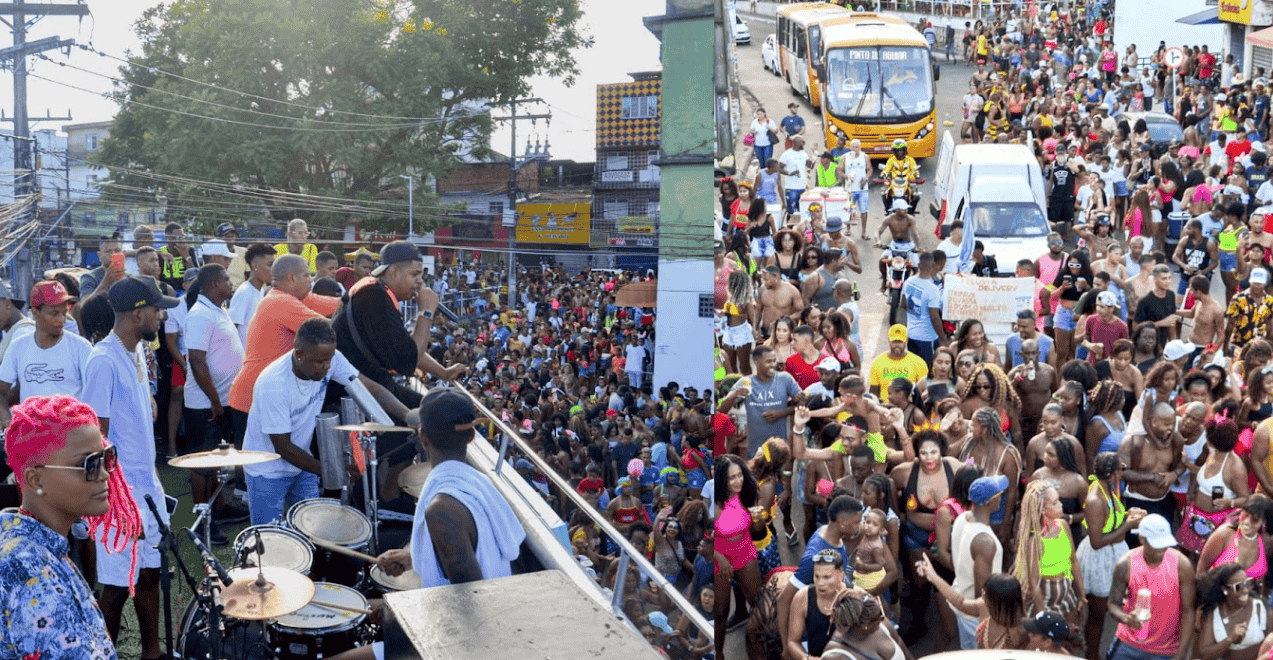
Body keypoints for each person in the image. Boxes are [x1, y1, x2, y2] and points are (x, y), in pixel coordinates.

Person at [333, 389, 526, 660]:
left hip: (461, 645)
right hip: (472, 628)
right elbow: (473, 549)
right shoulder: (479, 483)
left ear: (423, 438)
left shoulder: (442, 512)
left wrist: (394, 610)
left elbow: (471, 602)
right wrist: (412, 558)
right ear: (470, 436)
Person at [0, 395, 144, 660]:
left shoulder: (39, 548)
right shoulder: (30, 573)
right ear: (35, 478)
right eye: (87, 464)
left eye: (105, 458)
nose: (104, 473)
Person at [85, 276, 177, 659]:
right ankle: (97, 653)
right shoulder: (104, 360)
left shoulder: (137, 350)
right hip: (121, 493)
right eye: (156, 309)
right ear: (138, 313)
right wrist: (120, 503)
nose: (161, 316)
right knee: (118, 585)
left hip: (146, 485)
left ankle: (152, 653)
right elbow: (95, 437)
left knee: (152, 572)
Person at [333, 240, 465, 504]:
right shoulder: (374, 299)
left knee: (422, 406)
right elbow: (407, 361)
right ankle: (390, 493)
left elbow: (406, 347)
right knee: (418, 419)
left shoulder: (376, 293)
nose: (419, 282)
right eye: (415, 274)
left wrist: (444, 372)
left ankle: (392, 489)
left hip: (370, 381)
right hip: (351, 390)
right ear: (392, 272)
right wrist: (425, 313)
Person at [242, 318, 410, 525]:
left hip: (303, 462)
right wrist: (333, 469)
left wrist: (408, 415)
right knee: (267, 540)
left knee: (313, 529)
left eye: (329, 360)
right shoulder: (273, 385)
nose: (327, 367)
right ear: (299, 354)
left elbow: (369, 388)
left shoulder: (330, 358)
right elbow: (282, 447)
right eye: (319, 361)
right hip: (267, 471)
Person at [225, 254, 340, 450]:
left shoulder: (292, 297)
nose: (312, 279)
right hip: (252, 396)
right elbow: (331, 330)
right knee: (254, 467)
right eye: (307, 275)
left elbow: (333, 303)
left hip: (257, 393)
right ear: (292, 279)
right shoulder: (281, 302)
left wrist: (356, 297)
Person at [181, 264, 248, 544]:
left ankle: (218, 508)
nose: (230, 283)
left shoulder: (217, 309)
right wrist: (214, 401)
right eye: (224, 279)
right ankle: (201, 522)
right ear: (211, 284)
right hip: (205, 404)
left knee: (218, 460)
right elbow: (196, 361)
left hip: (221, 400)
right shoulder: (199, 315)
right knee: (202, 464)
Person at [1078, 452, 1147, 659]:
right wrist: (1128, 525)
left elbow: (1109, 519)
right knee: (1098, 614)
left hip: (1113, 554)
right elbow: (1096, 541)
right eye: (1121, 467)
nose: (1124, 468)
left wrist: (1126, 515)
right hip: (1100, 559)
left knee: (1110, 606)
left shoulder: (1109, 489)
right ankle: (1092, 654)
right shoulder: (1095, 499)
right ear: (1111, 473)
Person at [0, 280, 91, 426]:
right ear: (35, 312)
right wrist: (7, 420)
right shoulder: (19, 346)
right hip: (31, 436)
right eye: (54, 313)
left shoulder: (81, 348)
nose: (61, 319)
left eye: (64, 312)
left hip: (71, 437)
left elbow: (96, 397)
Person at [1107, 513, 1196, 660]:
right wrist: (1127, 619)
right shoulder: (1125, 564)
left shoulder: (1182, 565)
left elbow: (1189, 610)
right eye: (1156, 543)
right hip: (1128, 643)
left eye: (1164, 542)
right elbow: (1112, 604)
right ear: (1142, 538)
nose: (1162, 548)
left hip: (1166, 650)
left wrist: (1181, 653)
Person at [1013, 480, 1086, 632]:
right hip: (1045, 593)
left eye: (1058, 500)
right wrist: (1044, 616)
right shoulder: (1034, 539)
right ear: (1042, 509)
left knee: (1071, 633)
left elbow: (1073, 561)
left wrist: (1082, 595)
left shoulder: (1063, 525)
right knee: (1048, 639)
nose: (1060, 505)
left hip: (1066, 588)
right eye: (1054, 503)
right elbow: (1033, 584)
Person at [1193, 562, 1267, 660]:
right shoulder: (1213, 612)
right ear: (1224, 589)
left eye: (1248, 583)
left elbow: (1270, 650)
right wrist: (1230, 639)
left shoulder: (1260, 608)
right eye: (1238, 586)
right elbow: (1204, 654)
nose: (1245, 590)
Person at [785, 549, 847, 660]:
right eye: (816, 576)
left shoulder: (856, 596)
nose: (820, 583)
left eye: (827, 577)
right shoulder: (802, 598)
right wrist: (807, 658)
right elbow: (792, 642)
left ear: (841, 576)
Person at [819, 590, 915, 660]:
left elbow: (904, 650)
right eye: (879, 616)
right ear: (864, 626)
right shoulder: (836, 657)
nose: (883, 617)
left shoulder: (881, 622)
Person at [227, 243, 276, 348]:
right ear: (255, 266)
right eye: (270, 265)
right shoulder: (244, 292)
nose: (273, 270)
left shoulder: (261, 291)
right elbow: (231, 331)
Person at [902, 252, 946, 366]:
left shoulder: (908, 282)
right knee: (927, 370)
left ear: (919, 264)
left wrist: (915, 312)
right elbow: (935, 317)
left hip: (911, 335)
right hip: (927, 338)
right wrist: (943, 339)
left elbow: (902, 304)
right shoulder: (932, 289)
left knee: (914, 369)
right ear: (932, 265)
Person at [868, 325, 928, 398]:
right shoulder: (877, 363)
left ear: (906, 341)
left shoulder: (919, 363)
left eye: (900, 342)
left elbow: (924, 390)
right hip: (885, 407)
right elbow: (874, 392)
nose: (897, 345)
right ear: (888, 341)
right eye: (894, 341)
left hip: (910, 407)